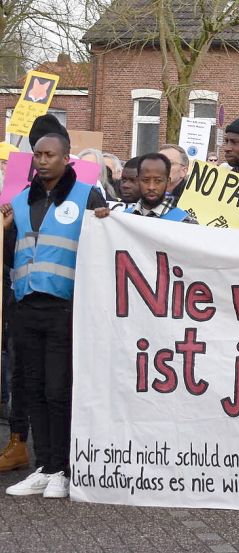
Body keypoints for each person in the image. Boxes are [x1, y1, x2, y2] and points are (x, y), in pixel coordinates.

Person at [2, 128, 108, 499]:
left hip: (65, 307)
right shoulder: (17, 201)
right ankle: (43, 466)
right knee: (31, 389)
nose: (42, 160)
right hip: (26, 305)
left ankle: (62, 468)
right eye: (38, 155)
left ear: (67, 158)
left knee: (58, 390)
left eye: (50, 155)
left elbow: (105, 242)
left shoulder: (87, 196)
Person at [96, 153, 196, 223]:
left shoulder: (184, 221)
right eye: (145, 180)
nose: (151, 187)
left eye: (158, 181)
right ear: (138, 180)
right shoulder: (123, 217)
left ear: (167, 182)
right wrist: (102, 221)